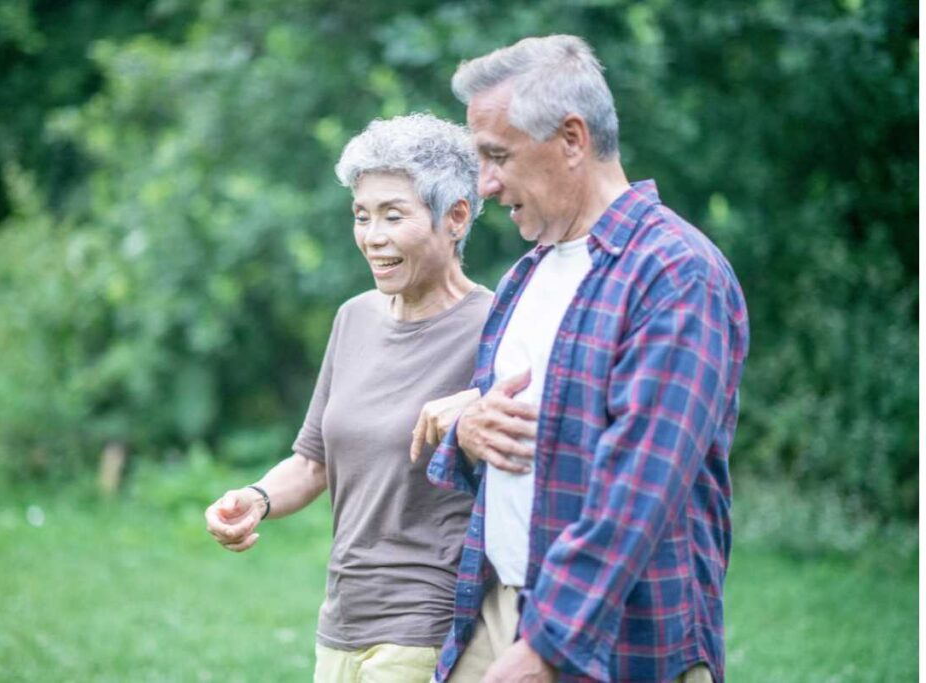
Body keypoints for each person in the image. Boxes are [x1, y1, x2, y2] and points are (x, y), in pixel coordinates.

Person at [424, 35, 750, 683]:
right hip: (497, 612)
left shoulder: (677, 272)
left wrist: (547, 647)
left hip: (618, 638)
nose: (485, 185)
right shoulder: (527, 274)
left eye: (497, 156)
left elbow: (643, 484)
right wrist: (467, 430)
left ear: (572, 139)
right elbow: (511, 446)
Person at [204, 113, 493, 683]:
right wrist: (256, 499)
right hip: (340, 619)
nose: (372, 236)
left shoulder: (495, 326)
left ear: (455, 216)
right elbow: (314, 462)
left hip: (427, 622)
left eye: (393, 215)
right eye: (362, 216)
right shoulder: (354, 318)